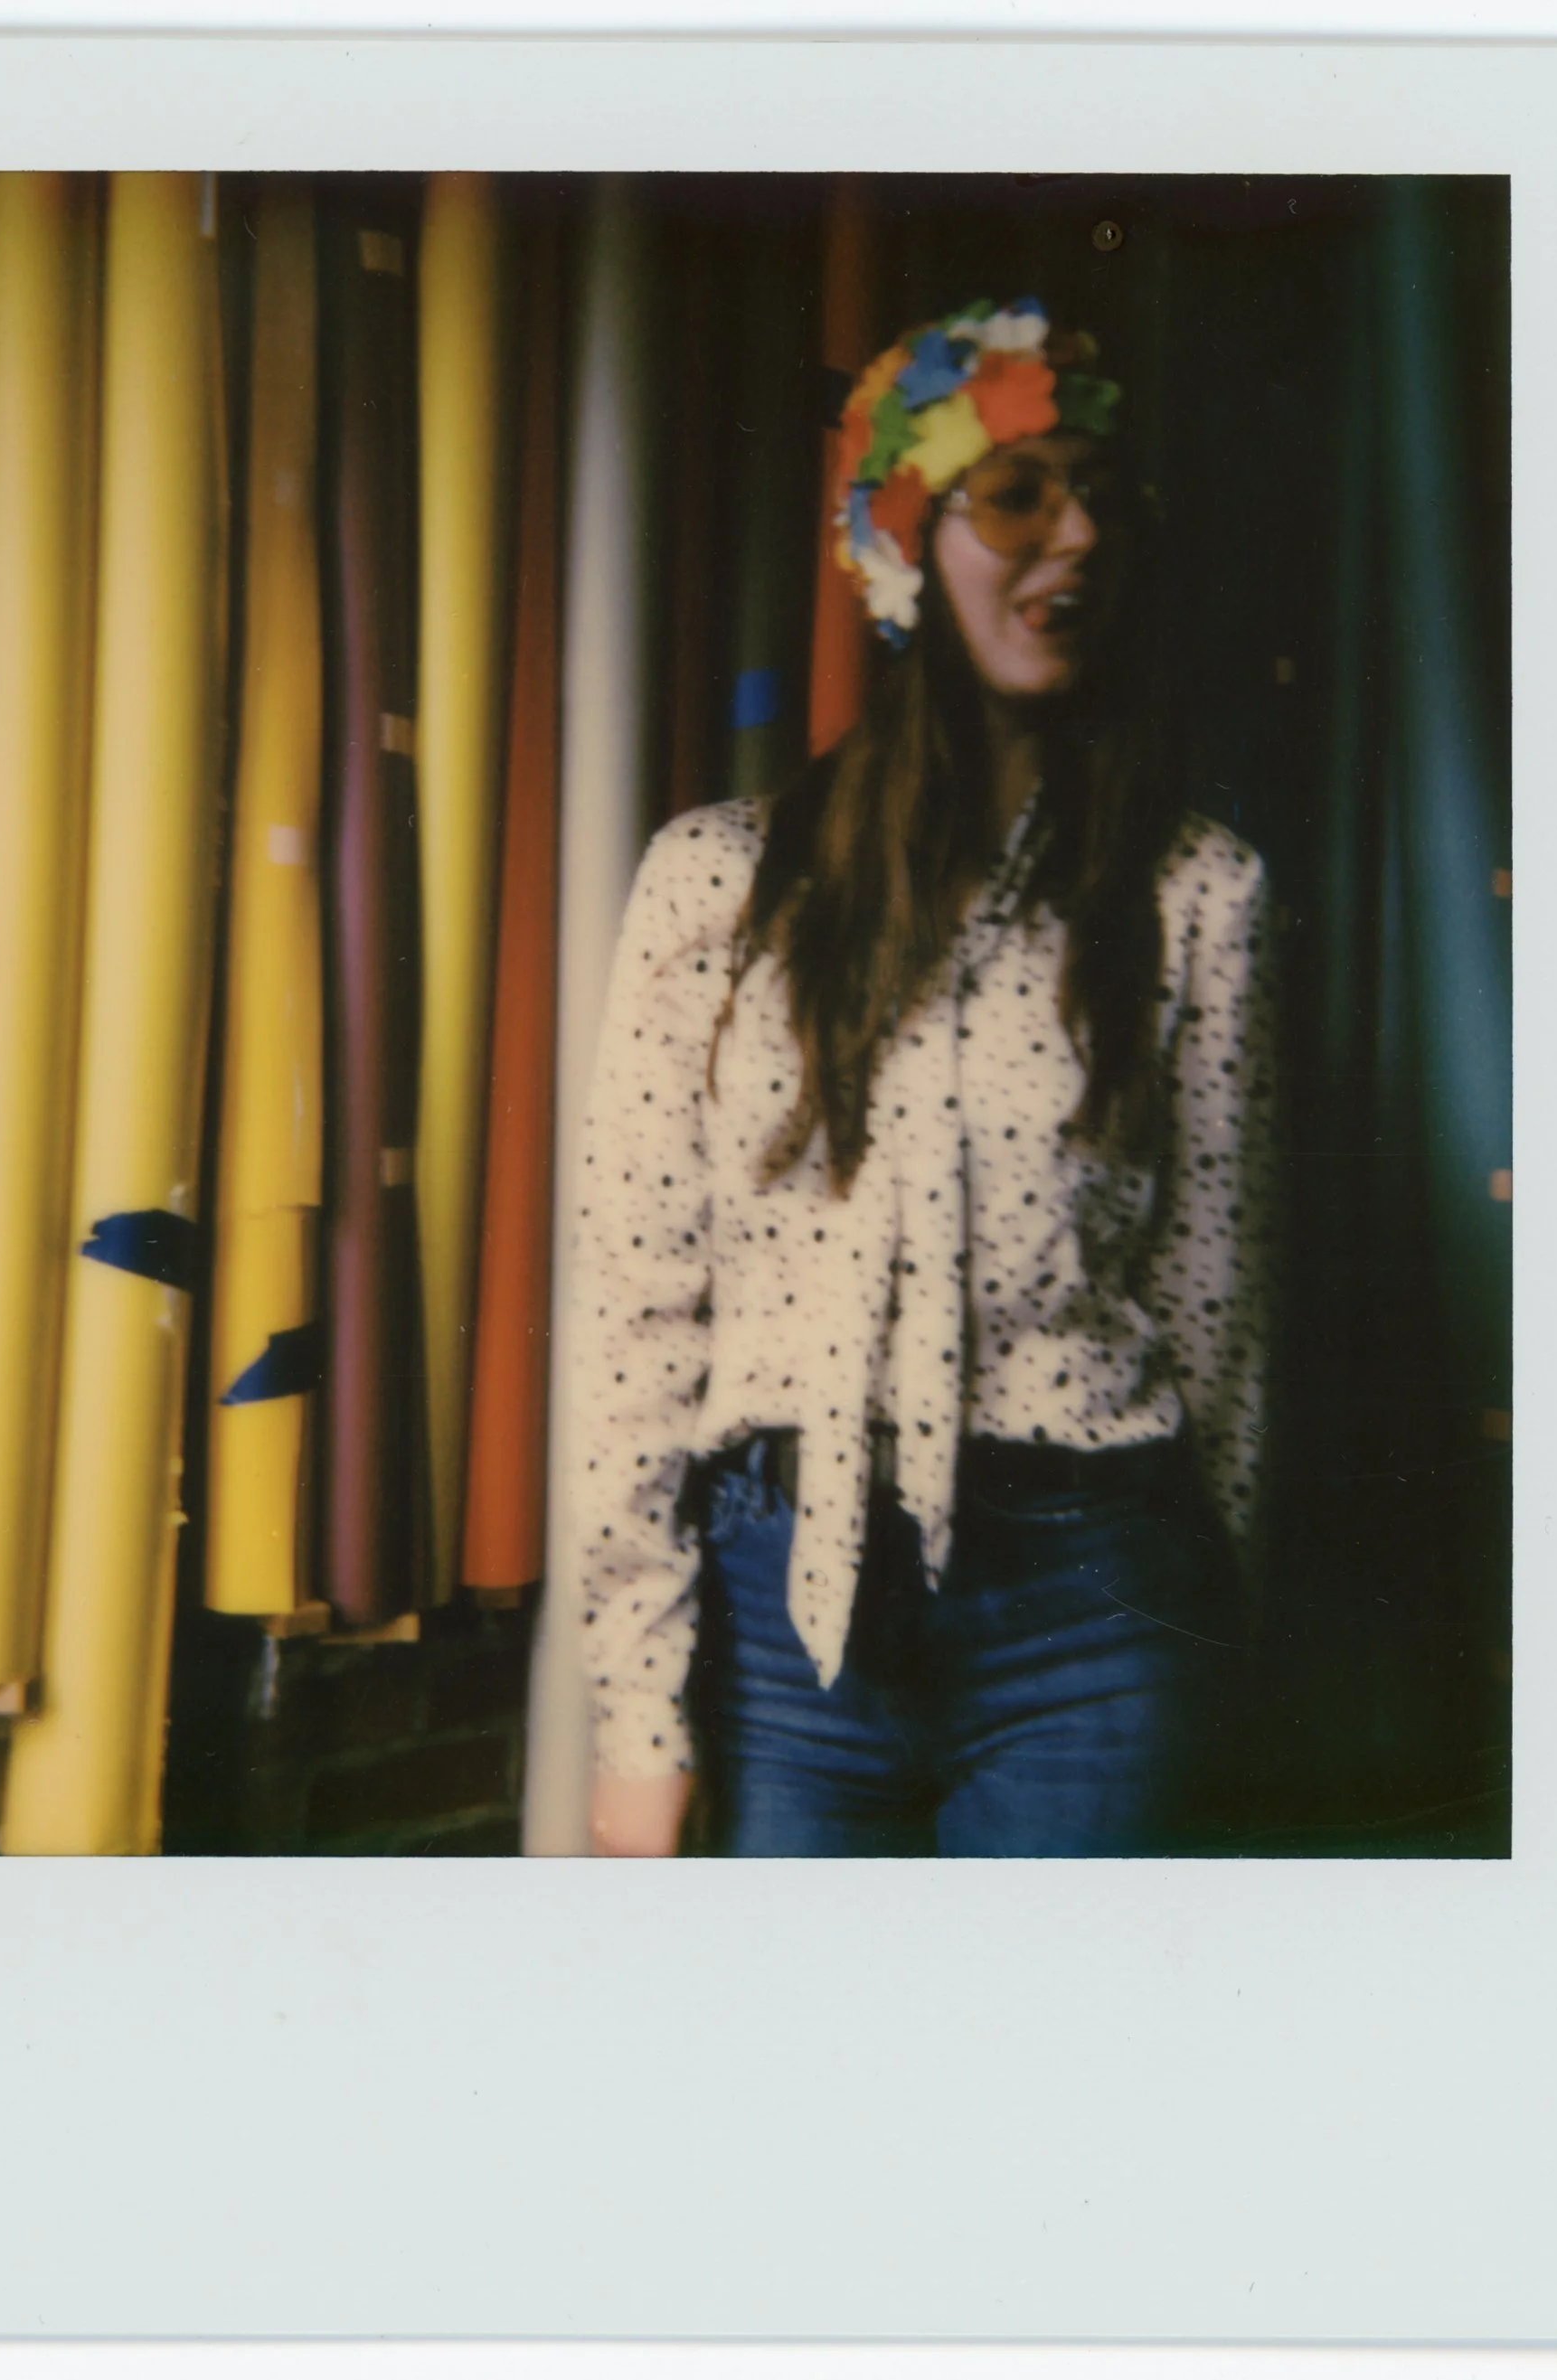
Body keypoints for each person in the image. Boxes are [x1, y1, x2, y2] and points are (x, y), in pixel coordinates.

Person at [566, 296, 1277, 1858]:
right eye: (1020, 491)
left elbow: (1215, 1304)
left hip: (1093, 1603)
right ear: (899, 540)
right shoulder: (715, 883)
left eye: (1105, 497)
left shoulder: (1193, 892)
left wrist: (1205, 1622)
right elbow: (635, 1313)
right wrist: (638, 1713)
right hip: (779, 1615)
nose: (1078, 533)